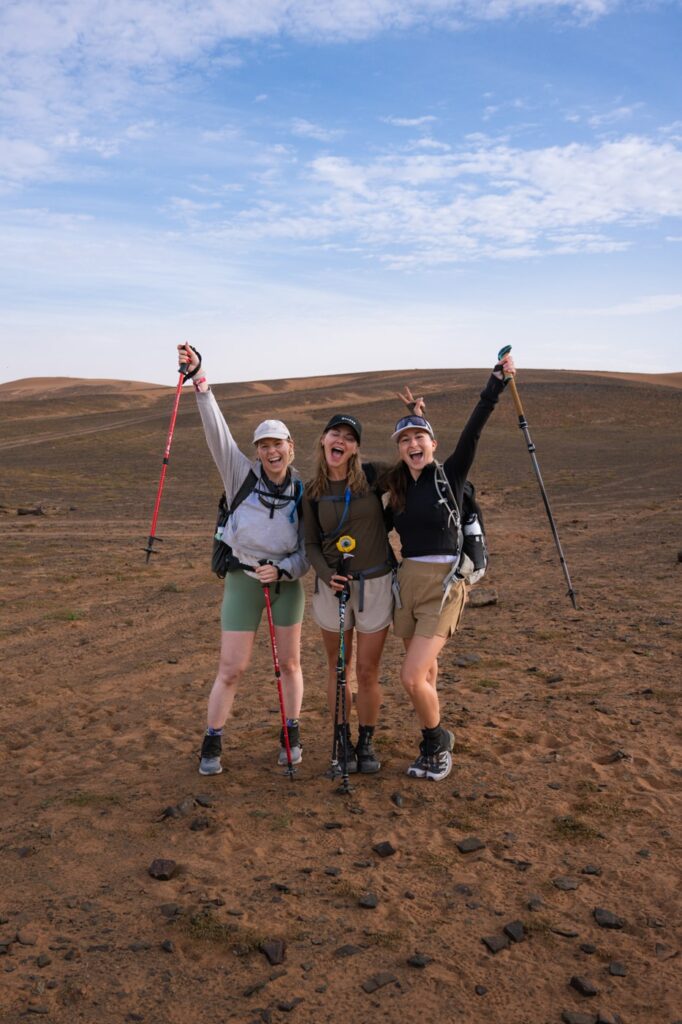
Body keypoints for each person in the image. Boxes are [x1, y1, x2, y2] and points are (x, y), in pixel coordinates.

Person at [384, 352, 516, 782]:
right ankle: (434, 731)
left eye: (420, 438)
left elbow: (474, 431)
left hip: (444, 587)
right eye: (405, 440)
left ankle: (436, 743)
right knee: (427, 673)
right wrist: (414, 415)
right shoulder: (398, 486)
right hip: (408, 584)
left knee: (409, 676)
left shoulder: (450, 478)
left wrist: (494, 383)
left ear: (433, 445)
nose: (413, 445)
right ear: (399, 450)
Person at [176, 344, 309, 776]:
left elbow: (312, 549)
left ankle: (291, 733)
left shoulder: (303, 491)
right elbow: (216, 430)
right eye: (263, 445)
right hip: (243, 579)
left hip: (286, 585)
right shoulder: (240, 475)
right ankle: (212, 741)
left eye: (278, 444)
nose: (271, 452)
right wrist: (200, 379)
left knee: (289, 663)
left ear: (292, 447)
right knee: (232, 668)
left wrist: (286, 568)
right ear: (256, 451)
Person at [302, 395, 423, 775]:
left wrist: (417, 419)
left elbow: (414, 460)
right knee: (339, 668)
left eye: (349, 437)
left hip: (375, 585)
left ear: (355, 448)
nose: (341, 440)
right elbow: (308, 543)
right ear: (323, 440)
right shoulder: (312, 490)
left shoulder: (372, 476)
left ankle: (365, 741)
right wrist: (325, 574)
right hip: (331, 590)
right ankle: (340, 741)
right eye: (335, 433)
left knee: (367, 671)